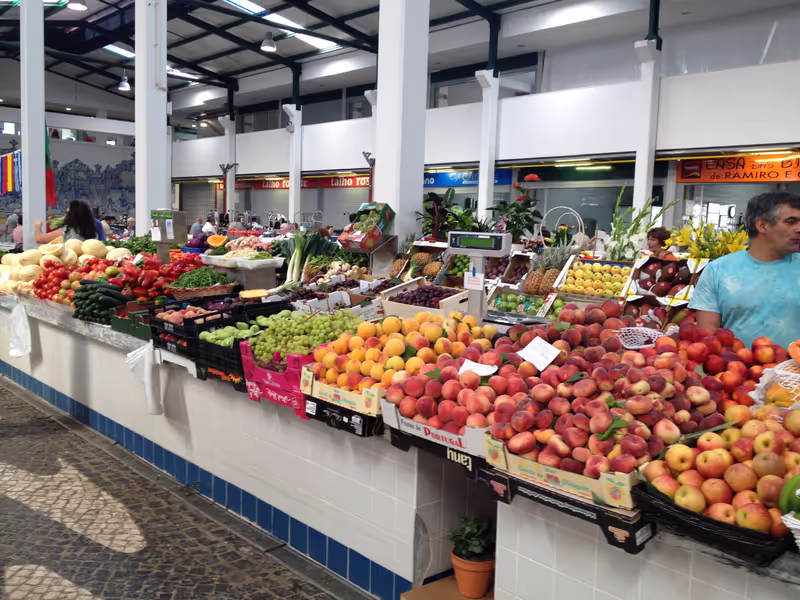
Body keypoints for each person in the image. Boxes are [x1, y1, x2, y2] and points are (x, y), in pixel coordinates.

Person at [689, 192, 800, 349]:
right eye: (791, 222)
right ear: (762, 225)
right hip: (735, 364)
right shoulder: (717, 271)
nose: (799, 228)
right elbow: (709, 340)